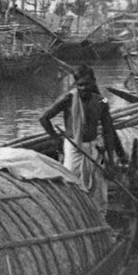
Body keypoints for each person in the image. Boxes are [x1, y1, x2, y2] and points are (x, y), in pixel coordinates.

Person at [39, 65, 127, 210]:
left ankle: (99, 218)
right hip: (73, 148)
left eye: (87, 84)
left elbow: (108, 131)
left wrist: (111, 160)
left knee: (99, 190)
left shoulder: (102, 101)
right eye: (80, 85)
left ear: (93, 81)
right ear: (76, 84)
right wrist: (56, 139)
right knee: (71, 185)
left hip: (94, 147)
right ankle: (74, 217)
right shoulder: (68, 98)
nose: (84, 88)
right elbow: (44, 118)